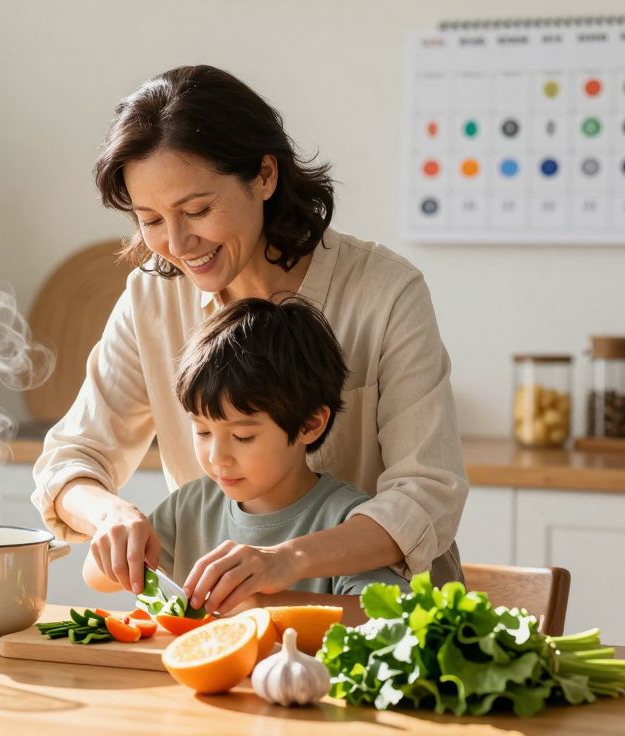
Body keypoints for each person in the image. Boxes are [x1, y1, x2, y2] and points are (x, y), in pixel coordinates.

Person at [32, 64, 467, 616]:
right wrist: (110, 516)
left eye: (197, 210)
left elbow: (426, 495)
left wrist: (287, 559)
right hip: (226, 632)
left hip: (376, 626)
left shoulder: (384, 292)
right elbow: (71, 458)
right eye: (151, 219)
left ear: (264, 176)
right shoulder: (151, 297)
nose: (177, 242)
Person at [81, 297, 408, 610]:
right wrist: (118, 536)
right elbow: (95, 579)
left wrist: (263, 607)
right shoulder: (192, 505)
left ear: (310, 424)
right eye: (203, 432)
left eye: (242, 436)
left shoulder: (347, 521)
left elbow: (389, 614)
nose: (217, 457)